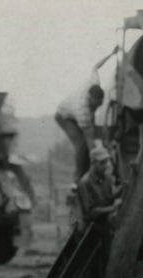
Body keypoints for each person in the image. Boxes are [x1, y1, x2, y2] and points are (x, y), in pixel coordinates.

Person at [55, 47, 119, 180]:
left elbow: (96, 67)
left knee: (94, 136)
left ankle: (90, 167)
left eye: (101, 104)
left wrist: (111, 54)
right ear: (90, 100)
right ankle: (80, 176)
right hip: (64, 117)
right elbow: (90, 140)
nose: (99, 107)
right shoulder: (83, 111)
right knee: (81, 144)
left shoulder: (94, 83)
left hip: (74, 111)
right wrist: (100, 158)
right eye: (97, 105)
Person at [75, 145, 123, 278]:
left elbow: (109, 198)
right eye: (102, 163)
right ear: (93, 163)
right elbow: (90, 212)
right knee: (89, 269)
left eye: (106, 163)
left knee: (107, 266)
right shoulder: (85, 182)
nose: (105, 166)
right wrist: (112, 208)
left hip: (103, 227)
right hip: (89, 229)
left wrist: (121, 190)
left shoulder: (106, 179)